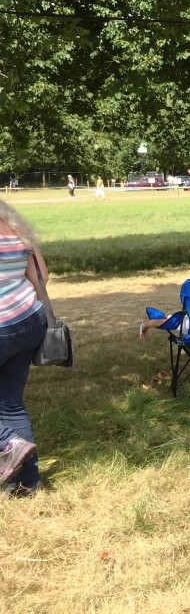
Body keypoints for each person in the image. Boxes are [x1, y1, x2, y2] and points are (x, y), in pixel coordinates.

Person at [0, 201, 48, 496]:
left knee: (8, 409)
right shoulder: (17, 229)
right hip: (28, 319)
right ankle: (28, 483)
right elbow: (41, 275)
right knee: (10, 403)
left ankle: (7, 444)